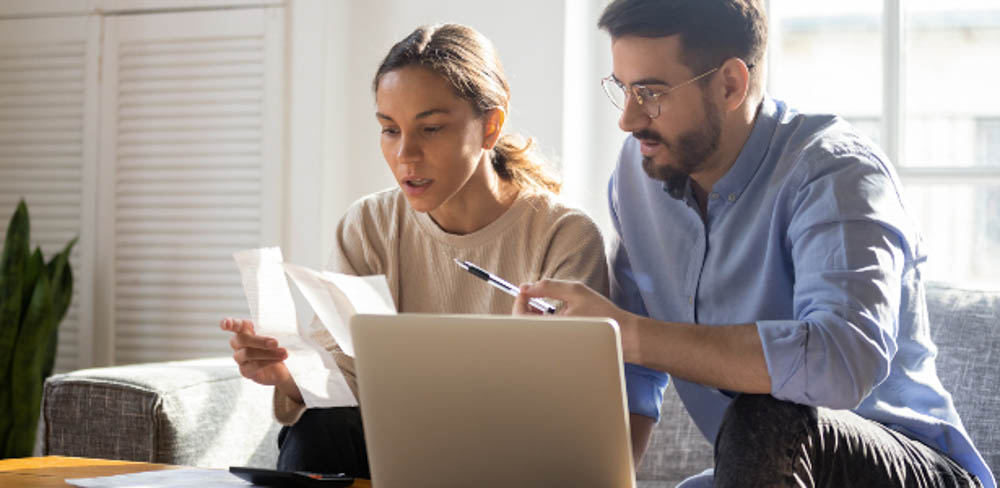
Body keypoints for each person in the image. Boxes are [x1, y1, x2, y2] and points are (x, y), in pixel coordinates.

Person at [515, 1, 995, 486]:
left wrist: (632, 334)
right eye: (623, 89)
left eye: (651, 93)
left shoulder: (834, 172)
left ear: (729, 84)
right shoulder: (638, 172)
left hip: (909, 466)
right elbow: (634, 374)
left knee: (768, 412)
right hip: (766, 468)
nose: (629, 119)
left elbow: (842, 362)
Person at [220, 23, 608, 478]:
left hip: (511, 459)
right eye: (389, 130)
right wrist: (285, 375)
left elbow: (569, 416)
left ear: (490, 126)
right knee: (320, 429)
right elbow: (344, 382)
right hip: (394, 454)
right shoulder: (368, 225)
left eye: (432, 128)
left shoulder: (563, 236)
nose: (407, 154)